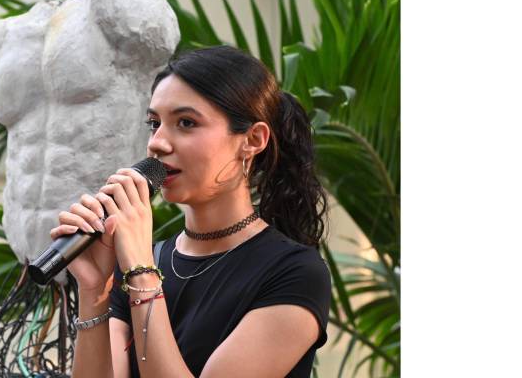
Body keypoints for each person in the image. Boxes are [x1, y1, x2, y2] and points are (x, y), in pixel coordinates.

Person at [49, 45, 331, 378]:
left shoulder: (294, 273)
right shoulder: (142, 263)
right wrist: (95, 289)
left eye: (186, 122)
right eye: (154, 123)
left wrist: (141, 270)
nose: (157, 142)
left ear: (253, 139)